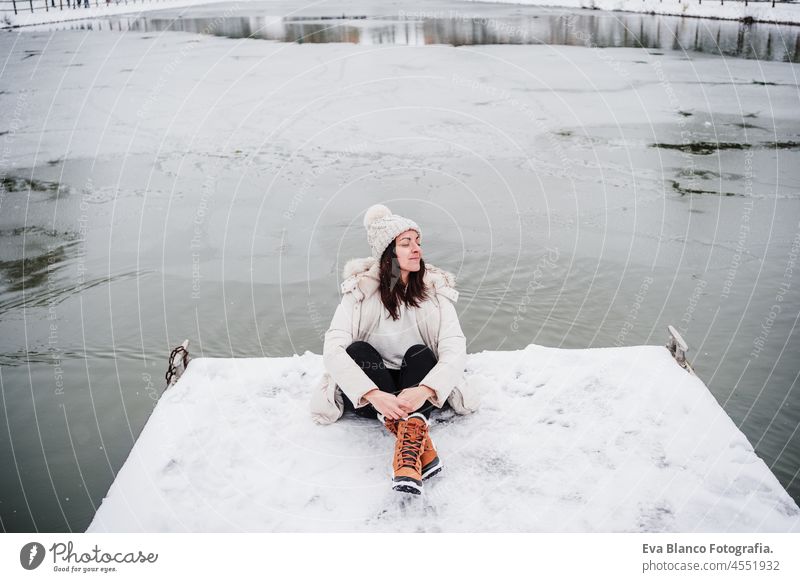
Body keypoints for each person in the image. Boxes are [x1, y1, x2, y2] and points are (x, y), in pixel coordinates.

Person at [310, 204, 482, 495]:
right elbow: (333, 349)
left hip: (416, 390)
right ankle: (417, 440)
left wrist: (425, 390)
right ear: (388, 253)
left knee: (420, 353)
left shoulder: (434, 292)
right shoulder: (360, 293)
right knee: (359, 351)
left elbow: (455, 348)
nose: (417, 249)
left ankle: (406, 442)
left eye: (418, 242)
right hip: (370, 396)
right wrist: (374, 395)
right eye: (406, 244)